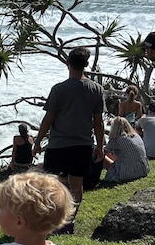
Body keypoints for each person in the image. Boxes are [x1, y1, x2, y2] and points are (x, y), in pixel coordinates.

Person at [33, 46, 105, 234]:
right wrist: (100, 146)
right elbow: (98, 122)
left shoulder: (59, 89)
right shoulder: (96, 89)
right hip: (83, 145)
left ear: (68, 64)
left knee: (51, 185)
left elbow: (48, 118)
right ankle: (69, 221)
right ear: (86, 65)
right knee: (76, 185)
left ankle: (53, 221)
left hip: (58, 144)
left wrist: (38, 141)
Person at [103, 117, 150, 183]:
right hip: (143, 169)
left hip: (127, 172)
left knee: (101, 155)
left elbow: (104, 151)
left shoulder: (116, 139)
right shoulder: (136, 135)